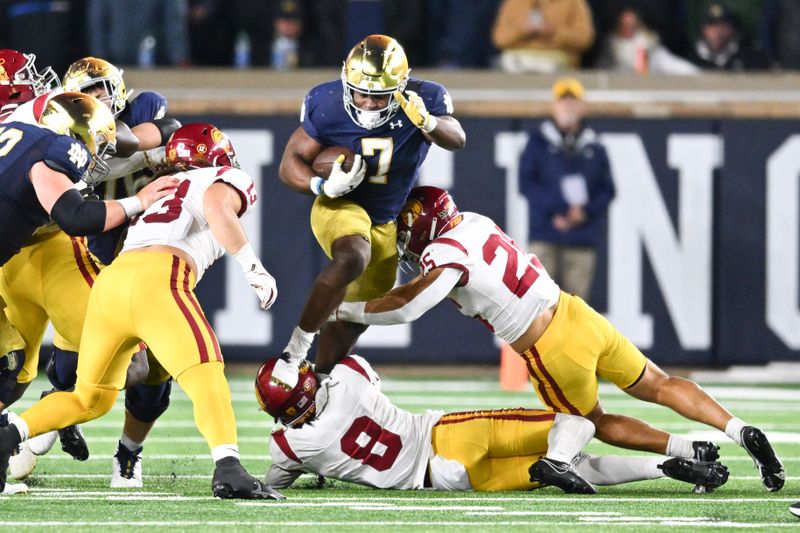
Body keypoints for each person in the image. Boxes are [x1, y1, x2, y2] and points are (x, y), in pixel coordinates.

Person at [330, 185, 785, 493]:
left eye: (409, 231)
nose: (408, 244)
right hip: (576, 313)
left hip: (547, 345)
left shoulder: (441, 251)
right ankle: (736, 430)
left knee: (590, 421)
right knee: (660, 383)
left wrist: (347, 308)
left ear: (425, 226)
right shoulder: (474, 221)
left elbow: (410, 304)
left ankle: (561, 461)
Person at [0, 123, 283, 499]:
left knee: (91, 398)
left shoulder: (156, 191)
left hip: (111, 284)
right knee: (205, 368)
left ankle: (10, 433)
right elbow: (217, 206)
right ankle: (228, 467)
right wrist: (252, 265)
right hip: (160, 279)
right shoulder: (225, 176)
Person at [4, 56, 183, 486]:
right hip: (47, 248)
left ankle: (123, 451)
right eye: (25, 82)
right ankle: (26, 428)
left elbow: (159, 129)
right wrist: (139, 194)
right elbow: (76, 213)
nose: (40, 88)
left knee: (20, 369)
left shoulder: (41, 120)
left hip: (67, 252)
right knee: (40, 373)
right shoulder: (47, 134)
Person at [257, 354, 729, 493]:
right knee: (577, 418)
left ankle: (660, 470)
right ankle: (684, 450)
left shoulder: (290, 446)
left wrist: (315, 473)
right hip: (445, 434)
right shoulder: (347, 381)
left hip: (441, 481)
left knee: (584, 467)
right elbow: (352, 366)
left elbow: (273, 480)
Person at [276, 34, 465, 376]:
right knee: (353, 256)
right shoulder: (328, 101)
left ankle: (318, 382)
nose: (366, 103)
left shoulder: (423, 100)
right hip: (340, 204)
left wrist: (428, 122)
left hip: (385, 221)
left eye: (378, 97)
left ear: (399, 88)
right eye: (361, 92)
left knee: (351, 315)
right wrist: (321, 184)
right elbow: (290, 162)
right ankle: (293, 352)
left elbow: (457, 138)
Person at [519, 78, 614, 301]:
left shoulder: (595, 145)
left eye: (573, 102)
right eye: (563, 101)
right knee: (538, 305)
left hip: (582, 236)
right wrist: (557, 212)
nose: (568, 107)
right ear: (554, 106)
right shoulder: (538, 142)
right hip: (545, 232)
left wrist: (584, 213)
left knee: (577, 309)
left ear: (582, 107)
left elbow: (607, 189)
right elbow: (526, 184)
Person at [492, 0, 595, 73]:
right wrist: (522, 31)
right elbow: (499, 39)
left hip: (557, 63)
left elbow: (584, 39)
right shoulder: (514, 2)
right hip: (516, 62)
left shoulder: (574, 3)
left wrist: (553, 31)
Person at [596, 7, 699, 74]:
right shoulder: (611, 48)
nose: (628, 28)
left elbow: (674, 66)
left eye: (632, 25)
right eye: (625, 25)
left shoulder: (648, 44)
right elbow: (601, 74)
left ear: (638, 25)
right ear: (618, 26)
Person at [689, 3, 769, 71]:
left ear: (732, 29)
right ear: (704, 29)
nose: (718, 31)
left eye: (723, 25)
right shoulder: (690, 59)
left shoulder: (751, 58)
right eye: (712, 25)